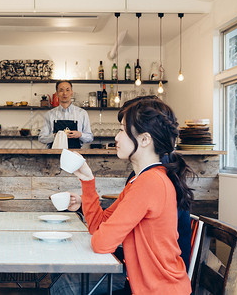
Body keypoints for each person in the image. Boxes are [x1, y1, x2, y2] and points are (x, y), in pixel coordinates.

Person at [69, 98, 193, 294]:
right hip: (145, 286)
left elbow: (101, 243)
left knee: (67, 285)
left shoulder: (150, 182)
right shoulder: (140, 180)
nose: (116, 138)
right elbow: (97, 227)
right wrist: (87, 180)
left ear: (144, 140)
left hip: (159, 290)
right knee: (68, 282)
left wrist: (104, 235)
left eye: (121, 130)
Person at [38, 81, 93, 148]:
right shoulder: (50, 114)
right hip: (54, 155)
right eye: (61, 90)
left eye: (67, 90)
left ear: (72, 93)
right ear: (57, 94)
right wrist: (55, 136)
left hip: (75, 155)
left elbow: (90, 138)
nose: (65, 93)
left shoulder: (82, 113)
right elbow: (41, 138)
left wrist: (80, 135)